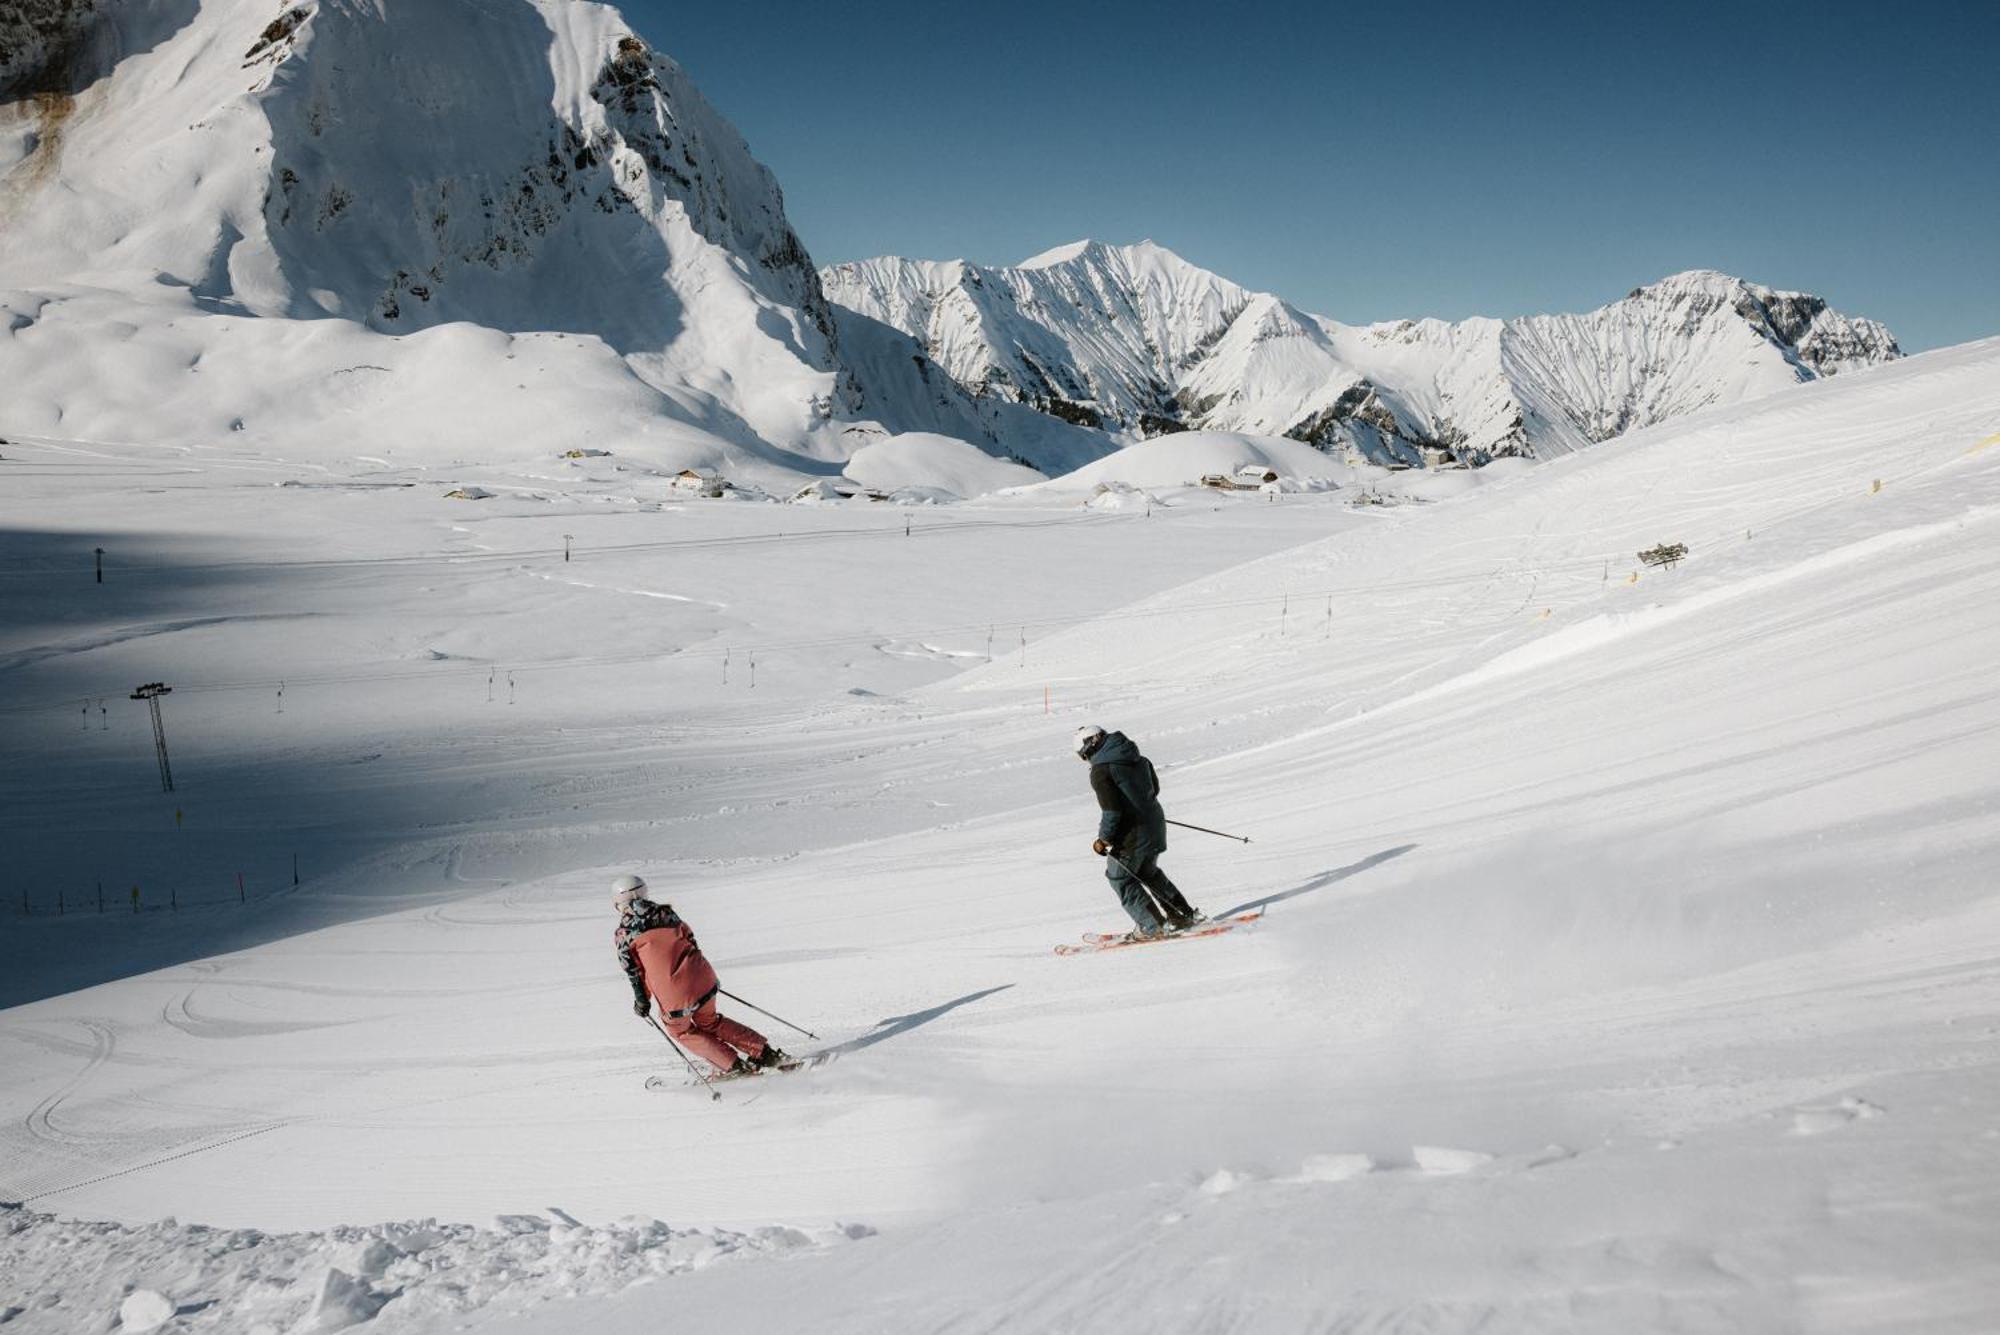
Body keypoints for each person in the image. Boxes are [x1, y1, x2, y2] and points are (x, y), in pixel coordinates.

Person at [611, 874, 789, 1075]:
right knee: (710, 1021)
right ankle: (766, 1054)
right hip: (702, 977)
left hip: (674, 993)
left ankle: (733, 1067)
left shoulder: (624, 933)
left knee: (681, 1031)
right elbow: (691, 940)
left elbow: (634, 972)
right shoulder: (668, 914)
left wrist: (642, 1001)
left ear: (619, 903)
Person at [1074, 725, 1203, 939]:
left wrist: (1103, 839)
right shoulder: (1138, 758)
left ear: (1089, 748)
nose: (1086, 760)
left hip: (1133, 834)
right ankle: (1182, 915)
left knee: (1120, 877)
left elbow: (1112, 812)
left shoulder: (1101, 771)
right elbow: (1153, 790)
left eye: (1083, 756)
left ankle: (1153, 927)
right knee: (1147, 872)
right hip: (1155, 823)